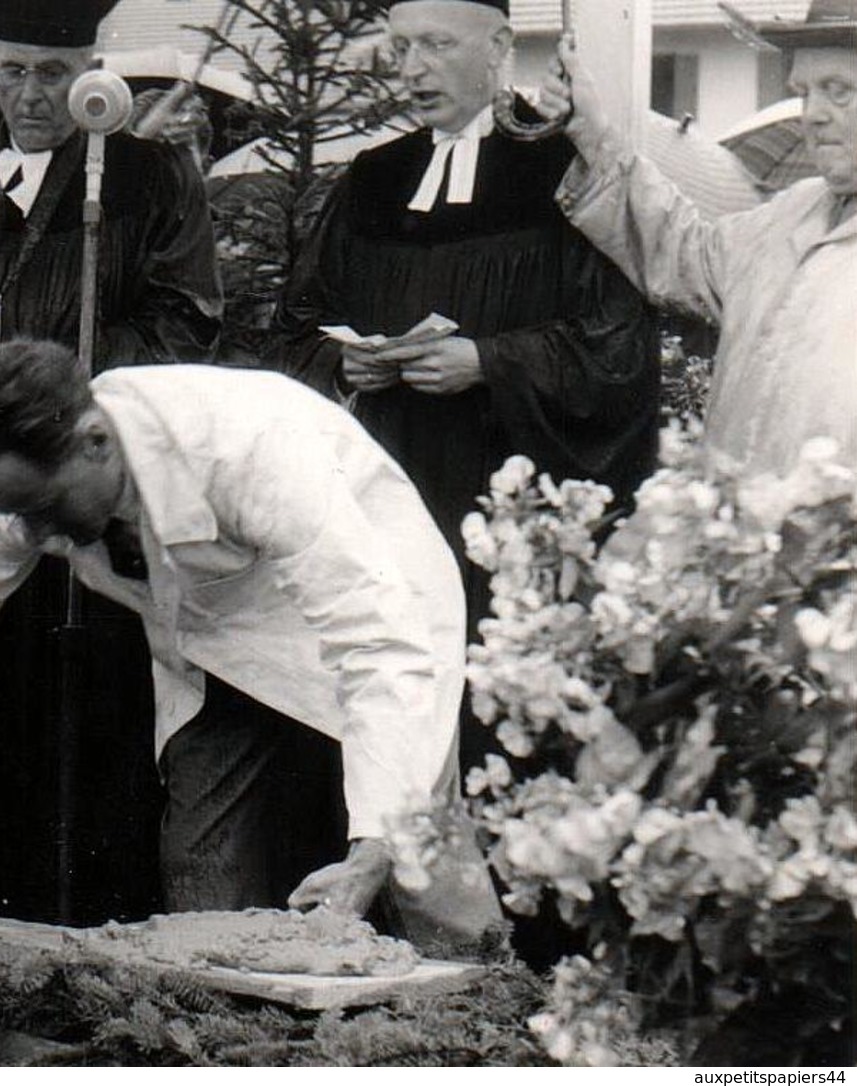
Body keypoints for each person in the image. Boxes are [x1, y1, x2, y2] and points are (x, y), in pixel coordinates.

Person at [0, 340, 504, 948]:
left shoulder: (246, 445)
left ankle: (485, 1030)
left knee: (424, 871)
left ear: (95, 441)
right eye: (13, 515)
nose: (29, 536)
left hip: (381, 614)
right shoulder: (25, 494)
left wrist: (373, 846)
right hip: (213, 642)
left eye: (40, 510)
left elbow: (375, 644)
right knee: (205, 879)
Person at [0, 0, 225, 926]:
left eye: (51, 74)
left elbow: (183, 322)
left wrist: (52, 403)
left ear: (90, 65)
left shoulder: (147, 177)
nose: (28, 96)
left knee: (77, 731)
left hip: (72, 496)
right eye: (10, 71)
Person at [275, 0, 659, 764]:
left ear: (500, 47)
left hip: (501, 506)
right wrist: (339, 362)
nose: (411, 69)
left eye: (435, 45)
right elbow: (293, 324)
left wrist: (487, 362)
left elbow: (616, 349)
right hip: (390, 488)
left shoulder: (562, 171)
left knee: (497, 728)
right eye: (400, 47)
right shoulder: (373, 178)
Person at [542, 0, 857, 475]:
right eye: (803, 92)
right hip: (738, 534)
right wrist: (592, 135)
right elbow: (683, 253)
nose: (812, 114)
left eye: (839, 91)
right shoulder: (792, 212)